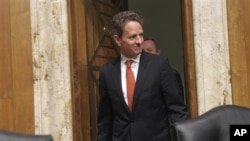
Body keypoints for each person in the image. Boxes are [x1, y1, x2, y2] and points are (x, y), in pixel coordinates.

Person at [97, 11, 188, 141]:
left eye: (141, 35)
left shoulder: (160, 66)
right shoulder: (107, 72)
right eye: (132, 37)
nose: (139, 41)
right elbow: (105, 120)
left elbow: (177, 111)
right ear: (118, 39)